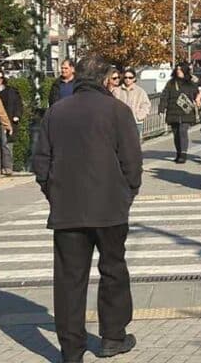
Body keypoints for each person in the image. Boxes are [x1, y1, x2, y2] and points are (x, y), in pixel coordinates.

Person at [31, 54, 142, 363]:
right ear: (105, 79)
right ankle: (113, 336)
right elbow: (133, 163)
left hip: (67, 208)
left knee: (69, 280)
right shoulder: (118, 111)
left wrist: (54, 193)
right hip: (110, 207)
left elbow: (40, 163)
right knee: (113, 270)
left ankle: (71, 351)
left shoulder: (56, 112)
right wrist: (126, 194)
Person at [158, 62, 201, 164]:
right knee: (176, 133)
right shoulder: (171, 83)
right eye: (177, 69)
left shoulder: (191, 83)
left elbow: (198, 92)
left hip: (186, 112)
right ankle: (178, 152)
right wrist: (161, 108)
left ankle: (183, 154)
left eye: (181, 69)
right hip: (173, 111)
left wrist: (199, 100)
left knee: (183, 131)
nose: (178, 71)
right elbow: (165, 96)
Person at [0, 69, 22, 175]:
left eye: (1, 78)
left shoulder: (11, 91)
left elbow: (18, 104)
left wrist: (17, 115)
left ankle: (7, 167)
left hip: (7, 120)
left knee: (6, 144)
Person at [114, 68, 151, 132]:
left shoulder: (140, 91)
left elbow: (146, 105)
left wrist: (139, 116)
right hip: (120, 123)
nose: (127, 79)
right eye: (125, 77)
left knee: (134, 141)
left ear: (134, 79)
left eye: (130, 77)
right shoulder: (117, 90)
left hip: (135, 123)